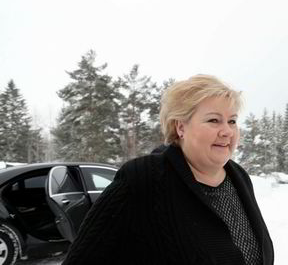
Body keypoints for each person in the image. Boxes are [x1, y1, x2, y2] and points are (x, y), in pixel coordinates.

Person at [62, 74, 274, 265]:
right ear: (180, 127)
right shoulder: (142, 178)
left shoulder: (239, 177)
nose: (227, 131)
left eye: (232, 121)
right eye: (214, 120)